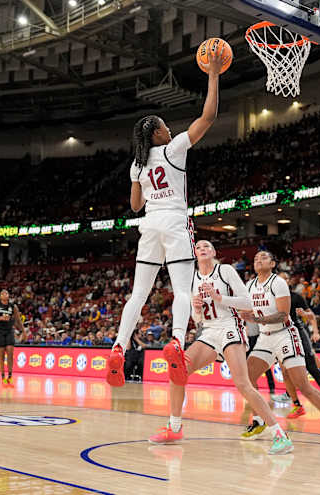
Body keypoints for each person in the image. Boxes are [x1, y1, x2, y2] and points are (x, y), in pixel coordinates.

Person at [106, 42, 230, 387]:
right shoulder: (173, 150)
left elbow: (134, 206)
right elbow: (208, 117)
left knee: (138, 293)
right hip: (174, 221)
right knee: (182, 289)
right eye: (165, 127)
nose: (170, 130)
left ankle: (118, 345)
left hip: (149, 225)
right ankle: (176, 340)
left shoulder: (137, 163)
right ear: (157, 133)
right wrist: (214, 76)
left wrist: (139, 182)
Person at [148, 240, 293, 454]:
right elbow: (197, 318)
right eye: (198, 247)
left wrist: (219, 298)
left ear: (214, 252)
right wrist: (196, 309)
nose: (202, 248)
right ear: (195, 254)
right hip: (209, 331)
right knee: (177, 372)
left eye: (207, 246)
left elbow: (248, 302)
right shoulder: (193, 279)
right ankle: (175, 427)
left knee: (243, 384)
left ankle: (279, 434)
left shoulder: (225, 270)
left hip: (231, 327)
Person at [239, 251, 320, 444]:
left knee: (302, 385)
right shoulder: (250, 285)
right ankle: (258, 420)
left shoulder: (278, 283)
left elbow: (282, 315)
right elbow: (247, 309)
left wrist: (255, 318)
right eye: (255, 258)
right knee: (247, 377)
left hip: (285, 335)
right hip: (265, 337)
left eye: (263, 257)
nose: (258, 260)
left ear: (272, 263)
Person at [273, 272, 320, 418]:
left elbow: (311, 316)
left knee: (312, 366)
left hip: (299, 334)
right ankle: (296, 405)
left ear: (289, 281)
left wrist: (315, 331)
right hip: (281, 336)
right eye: (279, 279)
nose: (282, 281)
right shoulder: (272, 298)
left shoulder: (296, 297)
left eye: (285, 278)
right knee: (285, 372)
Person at [0, 289, 23, 387]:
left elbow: (18, 319)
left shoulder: (13, 306)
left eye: (7, 293)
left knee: (10, 353)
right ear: (0, 296)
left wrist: (23, 331)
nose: (5, 294)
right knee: (1, 355)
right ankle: (3, 377)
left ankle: (10, 376)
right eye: (3, 293)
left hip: (9, 330)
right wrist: (1, 318)